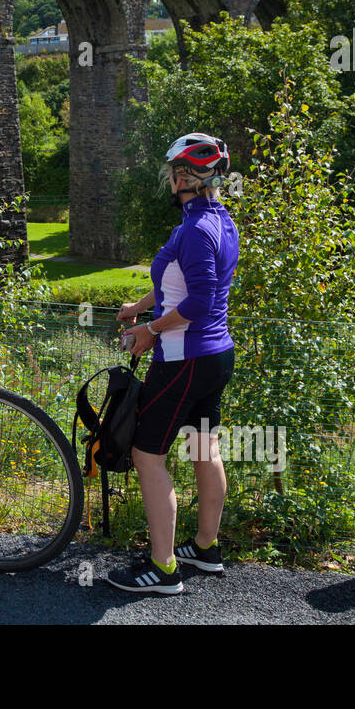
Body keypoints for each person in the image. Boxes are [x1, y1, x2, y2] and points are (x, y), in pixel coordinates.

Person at [105, 133, 239, 595]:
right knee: (204, 446)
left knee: (147, 455)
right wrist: (141, 305)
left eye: (171, 174)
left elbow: (198, 301)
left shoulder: (194, 230)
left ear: (182, 177)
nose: (169, 181)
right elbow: (179, 281)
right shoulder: (218, 220)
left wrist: (150, 331)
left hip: (184, 357)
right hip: (216, 355)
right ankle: (205, 548)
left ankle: (163, 569)